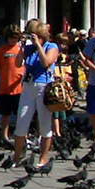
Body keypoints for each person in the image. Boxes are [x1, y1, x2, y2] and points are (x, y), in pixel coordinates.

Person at [10, 20, 59, 168]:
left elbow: (46, 63)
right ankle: (17, 157)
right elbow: (18, 64)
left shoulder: (52, 47)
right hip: (29, 86)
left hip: (44, 86)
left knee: (44, 123)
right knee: (21, 122)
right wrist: (23, 47)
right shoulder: (28, 48)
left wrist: (38, 46)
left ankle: (43, 157)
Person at [0, 24, 24, 145]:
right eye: (10, 38)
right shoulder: (2, 49)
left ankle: (20, 134)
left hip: (18, 87)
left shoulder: (21, 49)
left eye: (15, 37)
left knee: (21, 113)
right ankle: (4, 135)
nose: (12, 40)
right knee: (5, 114)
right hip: (4, 86)